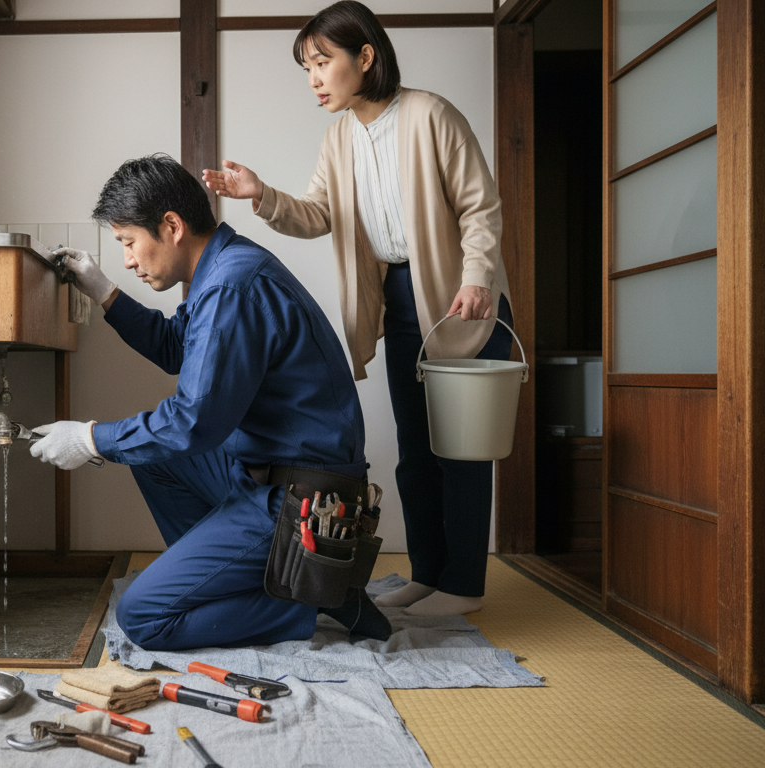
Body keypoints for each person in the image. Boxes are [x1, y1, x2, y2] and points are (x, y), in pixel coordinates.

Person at [202, 1, 514, 616]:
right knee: (416, 446)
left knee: (464, 450)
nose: (315, 79)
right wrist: (259, 194)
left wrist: (478, 277)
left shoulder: (430, 115)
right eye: (307, 68)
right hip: (398, 301)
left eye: (323, 62)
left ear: (364, 57)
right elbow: (319, 214)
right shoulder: (339, 137)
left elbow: (481, 207)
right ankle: (428, 572)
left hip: (460, 300)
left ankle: (465, 586)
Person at [30, 154, 390, 651]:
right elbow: (178, 348)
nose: (129, 259)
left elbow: (193, 423)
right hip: (275, 473)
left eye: (129, 243)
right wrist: (103, 291)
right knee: (152, 459)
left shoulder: (230, 286)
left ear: (172, 226)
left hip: (302, 502)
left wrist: (90, 438)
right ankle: (236, 577)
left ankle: (307, 594)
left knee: (142, 616)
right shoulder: (222, 266)